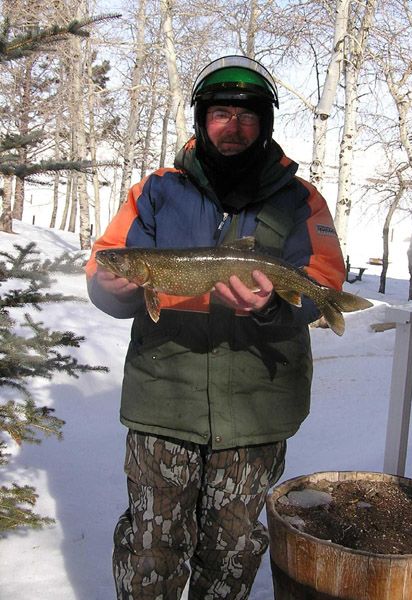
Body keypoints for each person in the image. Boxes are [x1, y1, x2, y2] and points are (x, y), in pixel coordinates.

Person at [85, 55, 345, 600]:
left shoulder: (301, 199)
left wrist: (273, 306)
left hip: (257, 408)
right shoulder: (156, 190)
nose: (233, 126)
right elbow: (106, 263)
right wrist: (112, 288)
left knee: (230, 551)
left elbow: (323, 276)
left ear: (264, 124)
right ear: (202, 120)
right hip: (165, 402)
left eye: (246, 116)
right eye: (220, 113)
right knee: (150, 547)